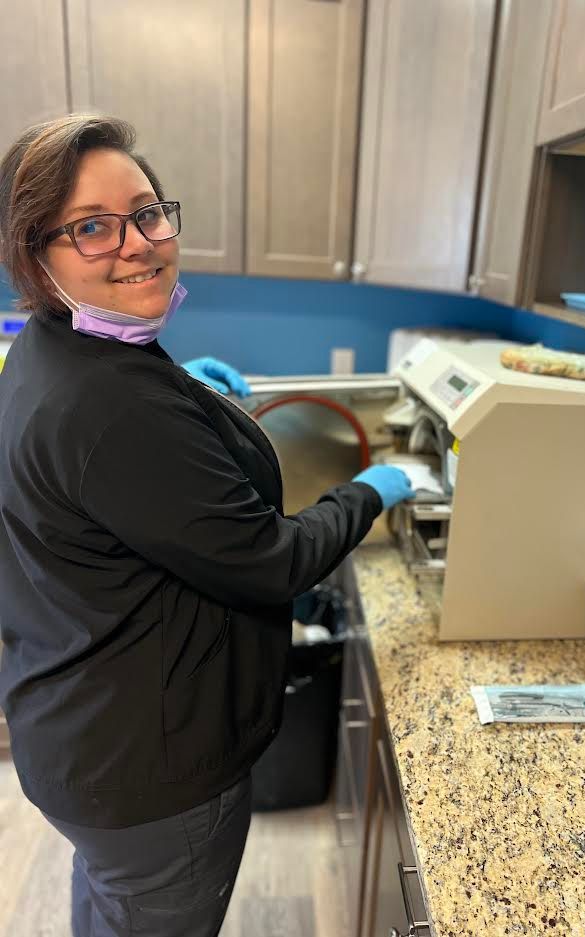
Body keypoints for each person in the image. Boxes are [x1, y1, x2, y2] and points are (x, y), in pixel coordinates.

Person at [0, 115, 414, 937]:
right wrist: (372, 490)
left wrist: (185, 389)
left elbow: (102, 458)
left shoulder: (51, 350)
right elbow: (271, 559)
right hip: (152, 773)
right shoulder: (110, 409)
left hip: (79, 735)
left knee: (116, 903)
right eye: (91, 227)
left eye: (148, 212)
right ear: (34, 253)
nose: (138, 242)